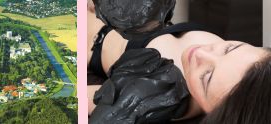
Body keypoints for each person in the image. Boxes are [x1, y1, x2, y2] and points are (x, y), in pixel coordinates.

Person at [86, 0, 271, 123]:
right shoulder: (247, 75)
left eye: (207, 76)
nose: (202, 53)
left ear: (211, 113)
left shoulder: (162, 93)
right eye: (230, 49)